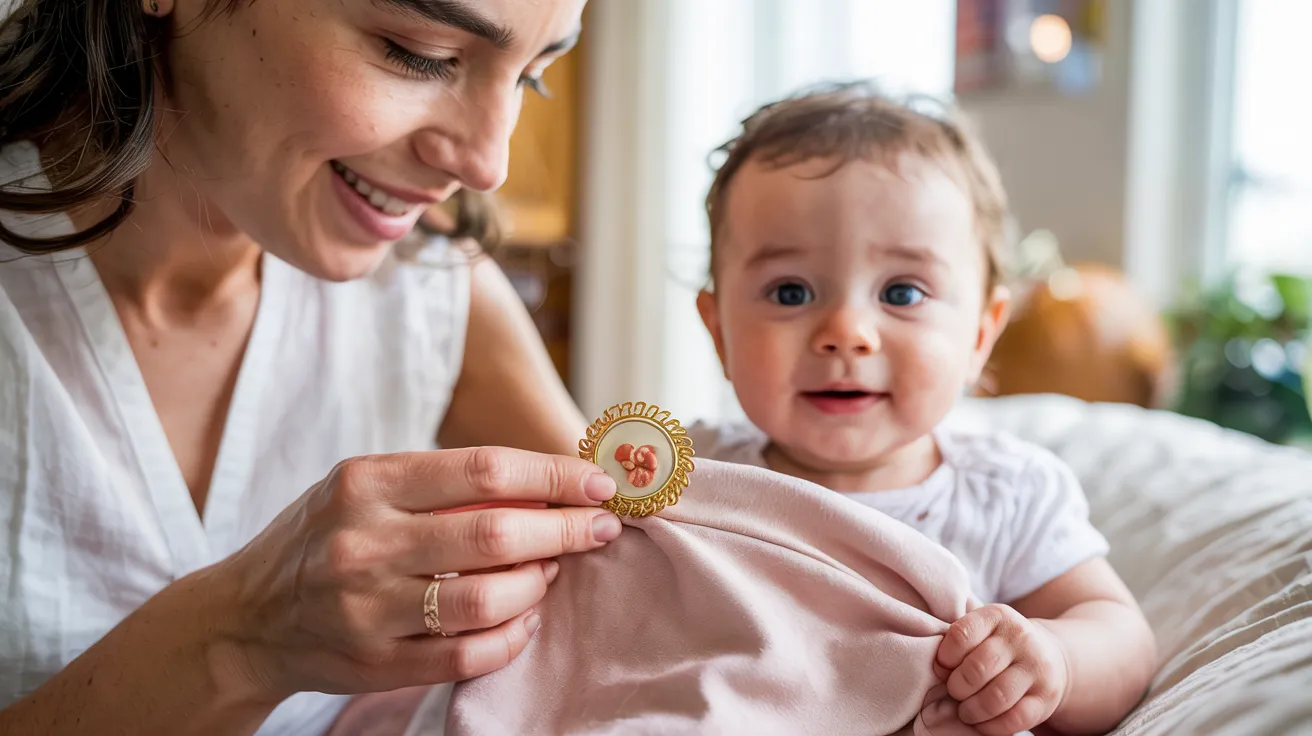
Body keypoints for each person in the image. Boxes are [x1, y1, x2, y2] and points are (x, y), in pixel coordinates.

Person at [0, 0, 615, 734]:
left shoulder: (429, 285)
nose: (488, 165)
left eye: (534, 78)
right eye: (419, 52)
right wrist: (237, 642)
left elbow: (625, 561)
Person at [689, 82, 1158, 736]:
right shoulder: (692, 478)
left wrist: (1054, 658)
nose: (847, 330)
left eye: (902, 292)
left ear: (980, 334)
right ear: (719, 332)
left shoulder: (1004, 496)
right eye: (790, 291)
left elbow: (1121, 637)